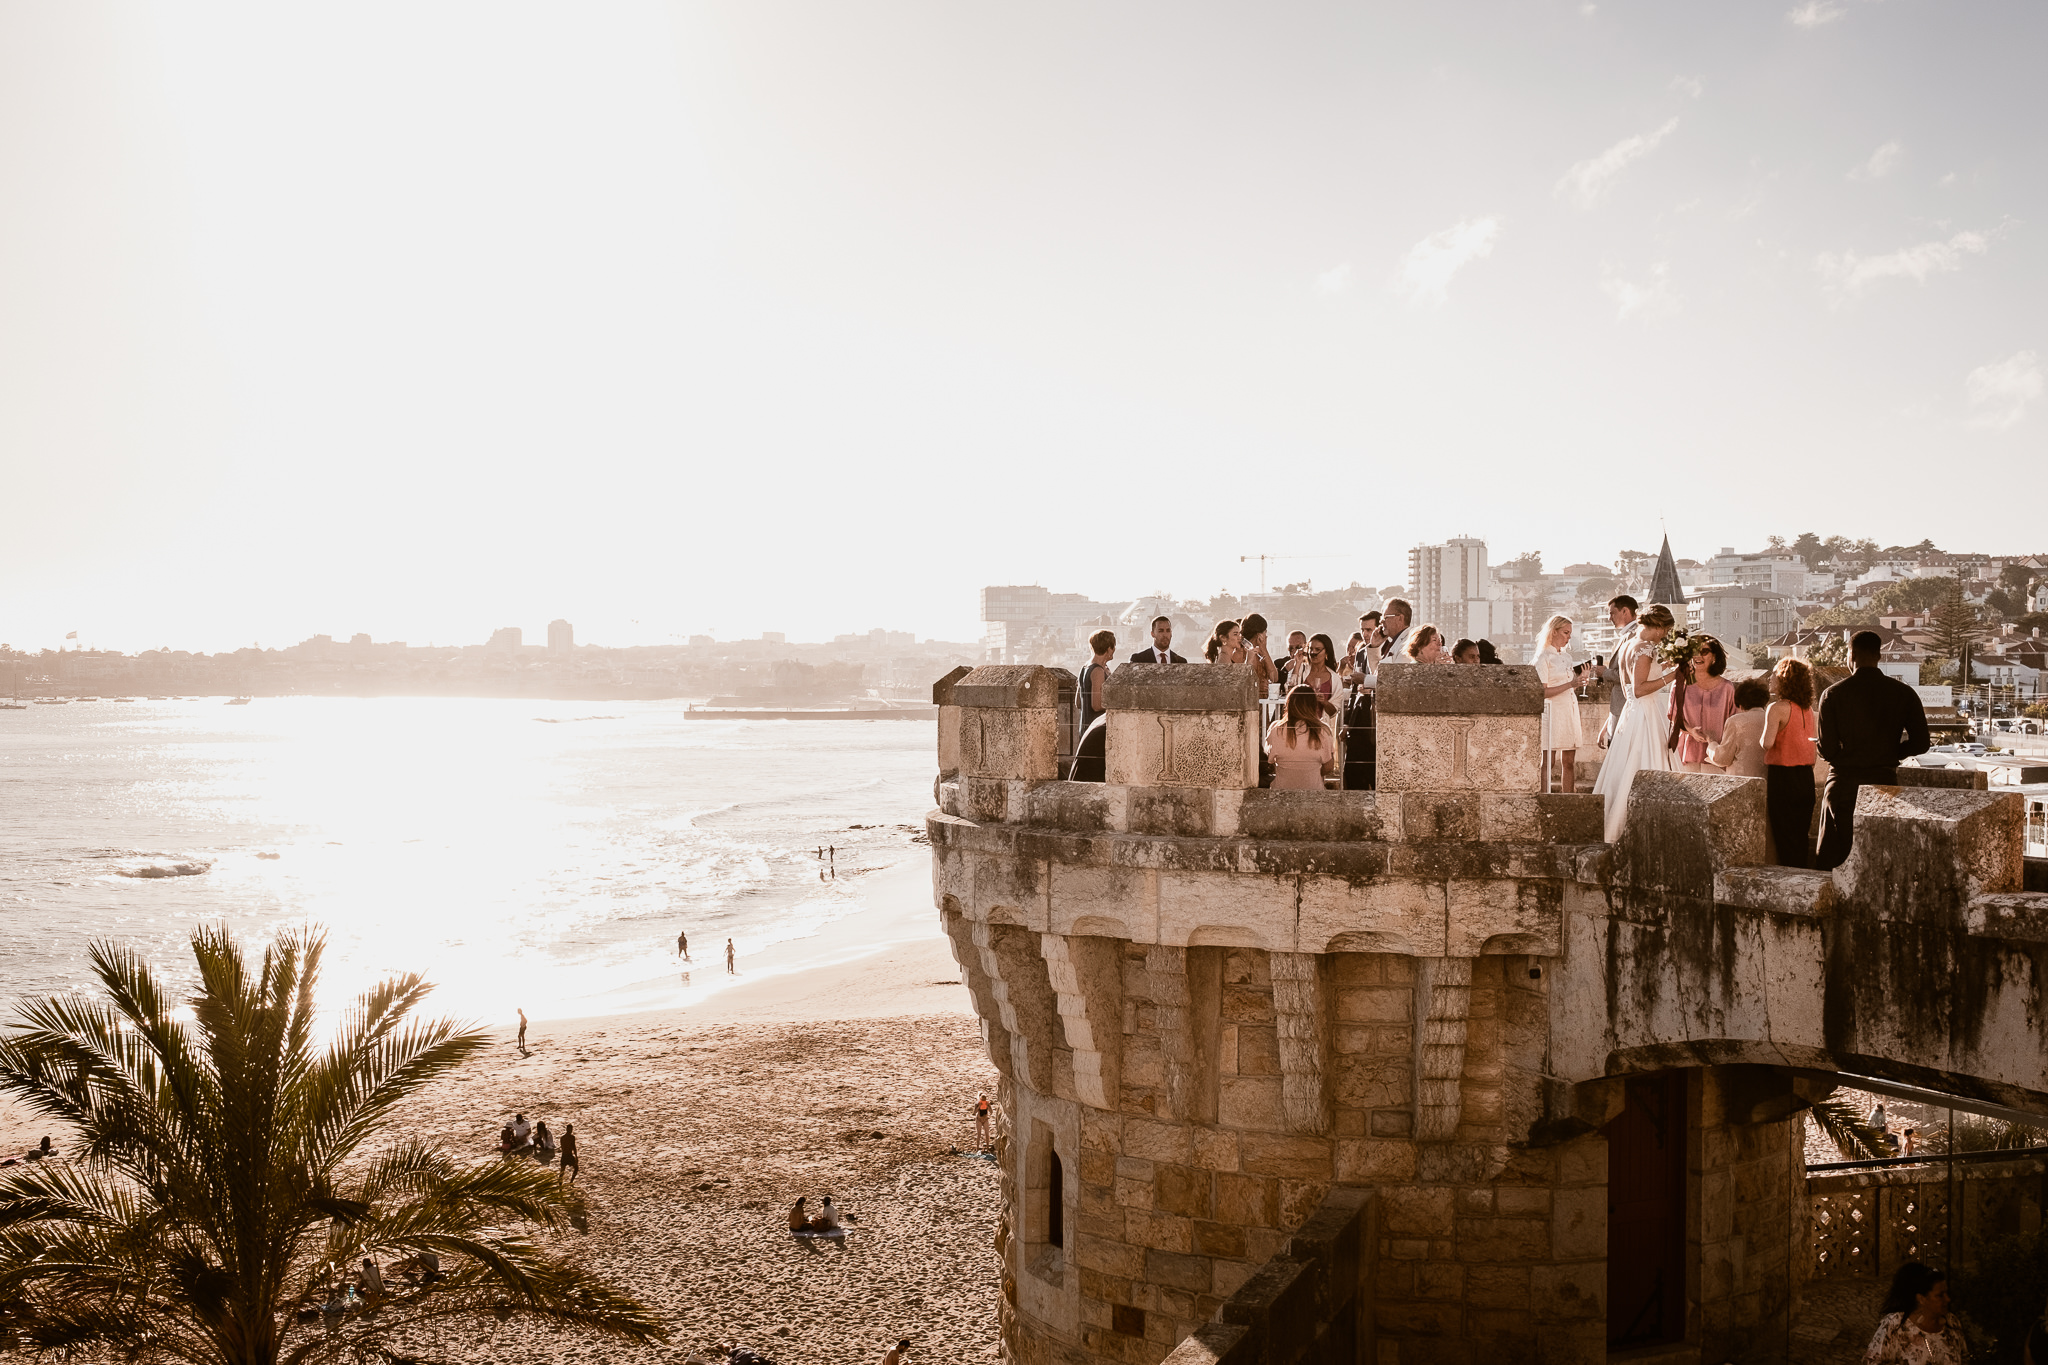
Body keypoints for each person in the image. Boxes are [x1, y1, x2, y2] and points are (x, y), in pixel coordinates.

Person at [1817, 630, 1933, 871]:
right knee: (1880, 861)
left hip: (1843, 784)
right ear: (1878, 656)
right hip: (1884, 783)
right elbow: (1921, 743)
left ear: (1851, 654)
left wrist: (1837, 754)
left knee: (1835, 860)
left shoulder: (1833, 694)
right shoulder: (1904, 693)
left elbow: (1827, 748)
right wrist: (1892, 752)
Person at [1589, 603, 1679, 844]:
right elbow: (1639, 689)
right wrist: (1671, 677)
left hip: (1630, 712)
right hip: (1645, 712)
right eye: (1666, 630)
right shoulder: (1646, 648)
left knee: (1624, 763)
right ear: (1659, 626)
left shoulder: (1629, 644)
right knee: (1646, 762)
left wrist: (1669, 665)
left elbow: (1634, 680)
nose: (1666, 635)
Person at [1761, 657, 1820, 868]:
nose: (1770, 677)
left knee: (1784, 837)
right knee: (1800, 836)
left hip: (1782, 777)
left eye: (1775, 673)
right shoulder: (1807, 710)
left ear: (1785, 679)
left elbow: (1766, 743)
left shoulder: (1776, 708)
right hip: (1805, 777)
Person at [1862, 1262, 1965, 1365]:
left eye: (1947, 1293)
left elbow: (1964, 1358)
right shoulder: (1895, 1326)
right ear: (1921, 1299)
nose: (1947, 1299)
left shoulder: (1952, 1324)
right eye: (1940, 1295)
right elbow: (1871, 1362)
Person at [1534, 615, 1586, 794]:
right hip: (1552, 712)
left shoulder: (1567, 657)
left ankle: (1568, 797)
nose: (1568, 637)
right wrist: (1571, 684)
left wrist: (1579, 682)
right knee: (1549, 760)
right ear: (1554, 631)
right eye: (1565, 632)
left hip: (1569, 709)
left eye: (1570, 633)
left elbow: (1569, 685)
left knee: (1570, 761)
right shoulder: (1543, 657)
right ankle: (1544, 795)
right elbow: (1542, 692)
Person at [1672, 636, 1738, 773]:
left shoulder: (1727, 688)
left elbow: (1734, 722)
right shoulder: (1680, 684)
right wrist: (1691, 730)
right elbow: (1673, 716)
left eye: (1704, 652)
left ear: (1714, 657)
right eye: (1695, 651)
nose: (1698, 656)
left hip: (1717, 754)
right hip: (1687, 753)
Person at [1592, 596, 1641, 748]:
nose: (1609, 618)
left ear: (1625, 611)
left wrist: (1605, 673)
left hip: (1628, 708)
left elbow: (1631, 676)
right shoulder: (1628, 635)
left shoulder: (1635, 636)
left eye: (1612, 613)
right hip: (1620, 708)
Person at [1265, 686, 1336, 790]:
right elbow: (1329, 767)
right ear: (1314, 705)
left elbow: (1269, 760)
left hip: (1281, 791)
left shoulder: (1276, 729)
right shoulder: (1323, 731)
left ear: (1289, 704)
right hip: (1313, 790)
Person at [1706, 679, 1771, 777]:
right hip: (1768, 779)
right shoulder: (1771, 719)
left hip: (1741, 780)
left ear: (1740, 704)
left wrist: (1711, 743)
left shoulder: (1735, 721)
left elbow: (1723, 758)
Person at [1077, 630, 1116, 733]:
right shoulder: (1098, 671)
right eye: (1114, 647)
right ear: (1109, 649)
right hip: (1096, 728)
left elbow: (1078, 702)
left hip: (1085, 726)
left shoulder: (1085, 667)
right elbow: (1096, 705)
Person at [1242, 613, 1278, 691]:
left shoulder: (1260, 653)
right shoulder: (1242, 652)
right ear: (1259, 635)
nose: (1266, 635)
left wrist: (1264, 649)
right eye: (1265, 632)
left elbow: (1274, 678)